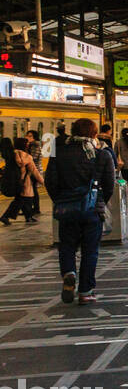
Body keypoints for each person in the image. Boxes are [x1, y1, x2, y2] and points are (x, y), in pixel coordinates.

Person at [45, 118, 115, 304]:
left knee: (67, 245)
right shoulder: (102, 155)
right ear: (94, 134)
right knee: (90, 251)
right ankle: (86, 292)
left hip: (67, 208)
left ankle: (69, 272)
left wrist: (60, 200)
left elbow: (50, 181)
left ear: (72, 132)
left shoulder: (58, 154)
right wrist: (100, 202)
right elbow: (109, 186)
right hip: (92, 210)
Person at [0, 137, 42, 225]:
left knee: (21, 199)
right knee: (25, 198)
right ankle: (6, 216)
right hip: (24, 181)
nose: (28, 145)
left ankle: (28, 216)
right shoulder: (27, 157)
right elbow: (34, 171)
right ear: (24, 145)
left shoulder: (12, 154)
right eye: (26, 144)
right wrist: (43, 181)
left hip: (15, 180)